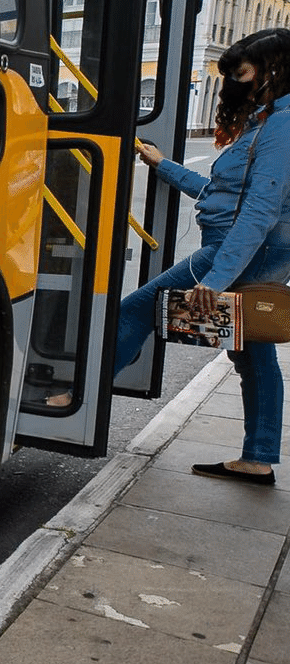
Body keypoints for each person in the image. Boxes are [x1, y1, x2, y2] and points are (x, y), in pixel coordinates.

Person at [114, 28, 290, 485]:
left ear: (275, 69)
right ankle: (258, 458)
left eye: (244, 74)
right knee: (253, 352)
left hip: (239, 249)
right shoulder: (269, 121)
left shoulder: (282, 125)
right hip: (251, 247)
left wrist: (215, 278)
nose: (238, 85)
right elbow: (221, 194)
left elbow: (258, 213)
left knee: (136, 309)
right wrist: (164, 166)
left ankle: (78, 396)